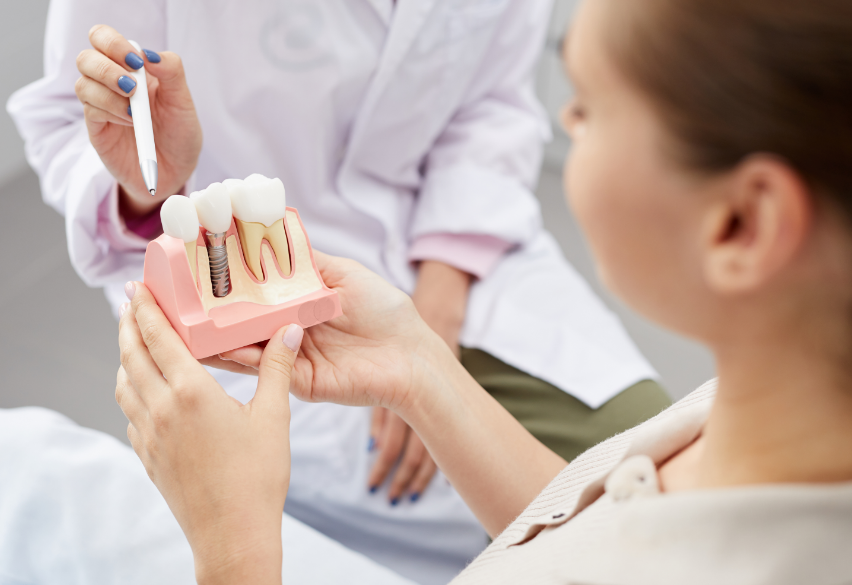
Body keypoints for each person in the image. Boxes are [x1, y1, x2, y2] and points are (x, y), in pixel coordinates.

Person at [114, 0, 852, 582]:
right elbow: (599, 540)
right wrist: (422, 368)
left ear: (739, 225)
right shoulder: (793, 412)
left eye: (587, 108)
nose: (561, 116)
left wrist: (234, 542)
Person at [7, 3, 668, 581]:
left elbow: (491, 104)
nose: (572, 119)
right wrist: (148, 185)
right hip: (243, 278)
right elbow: (74, 120)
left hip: (462, 255)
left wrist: (438, 301)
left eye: (589, 111)